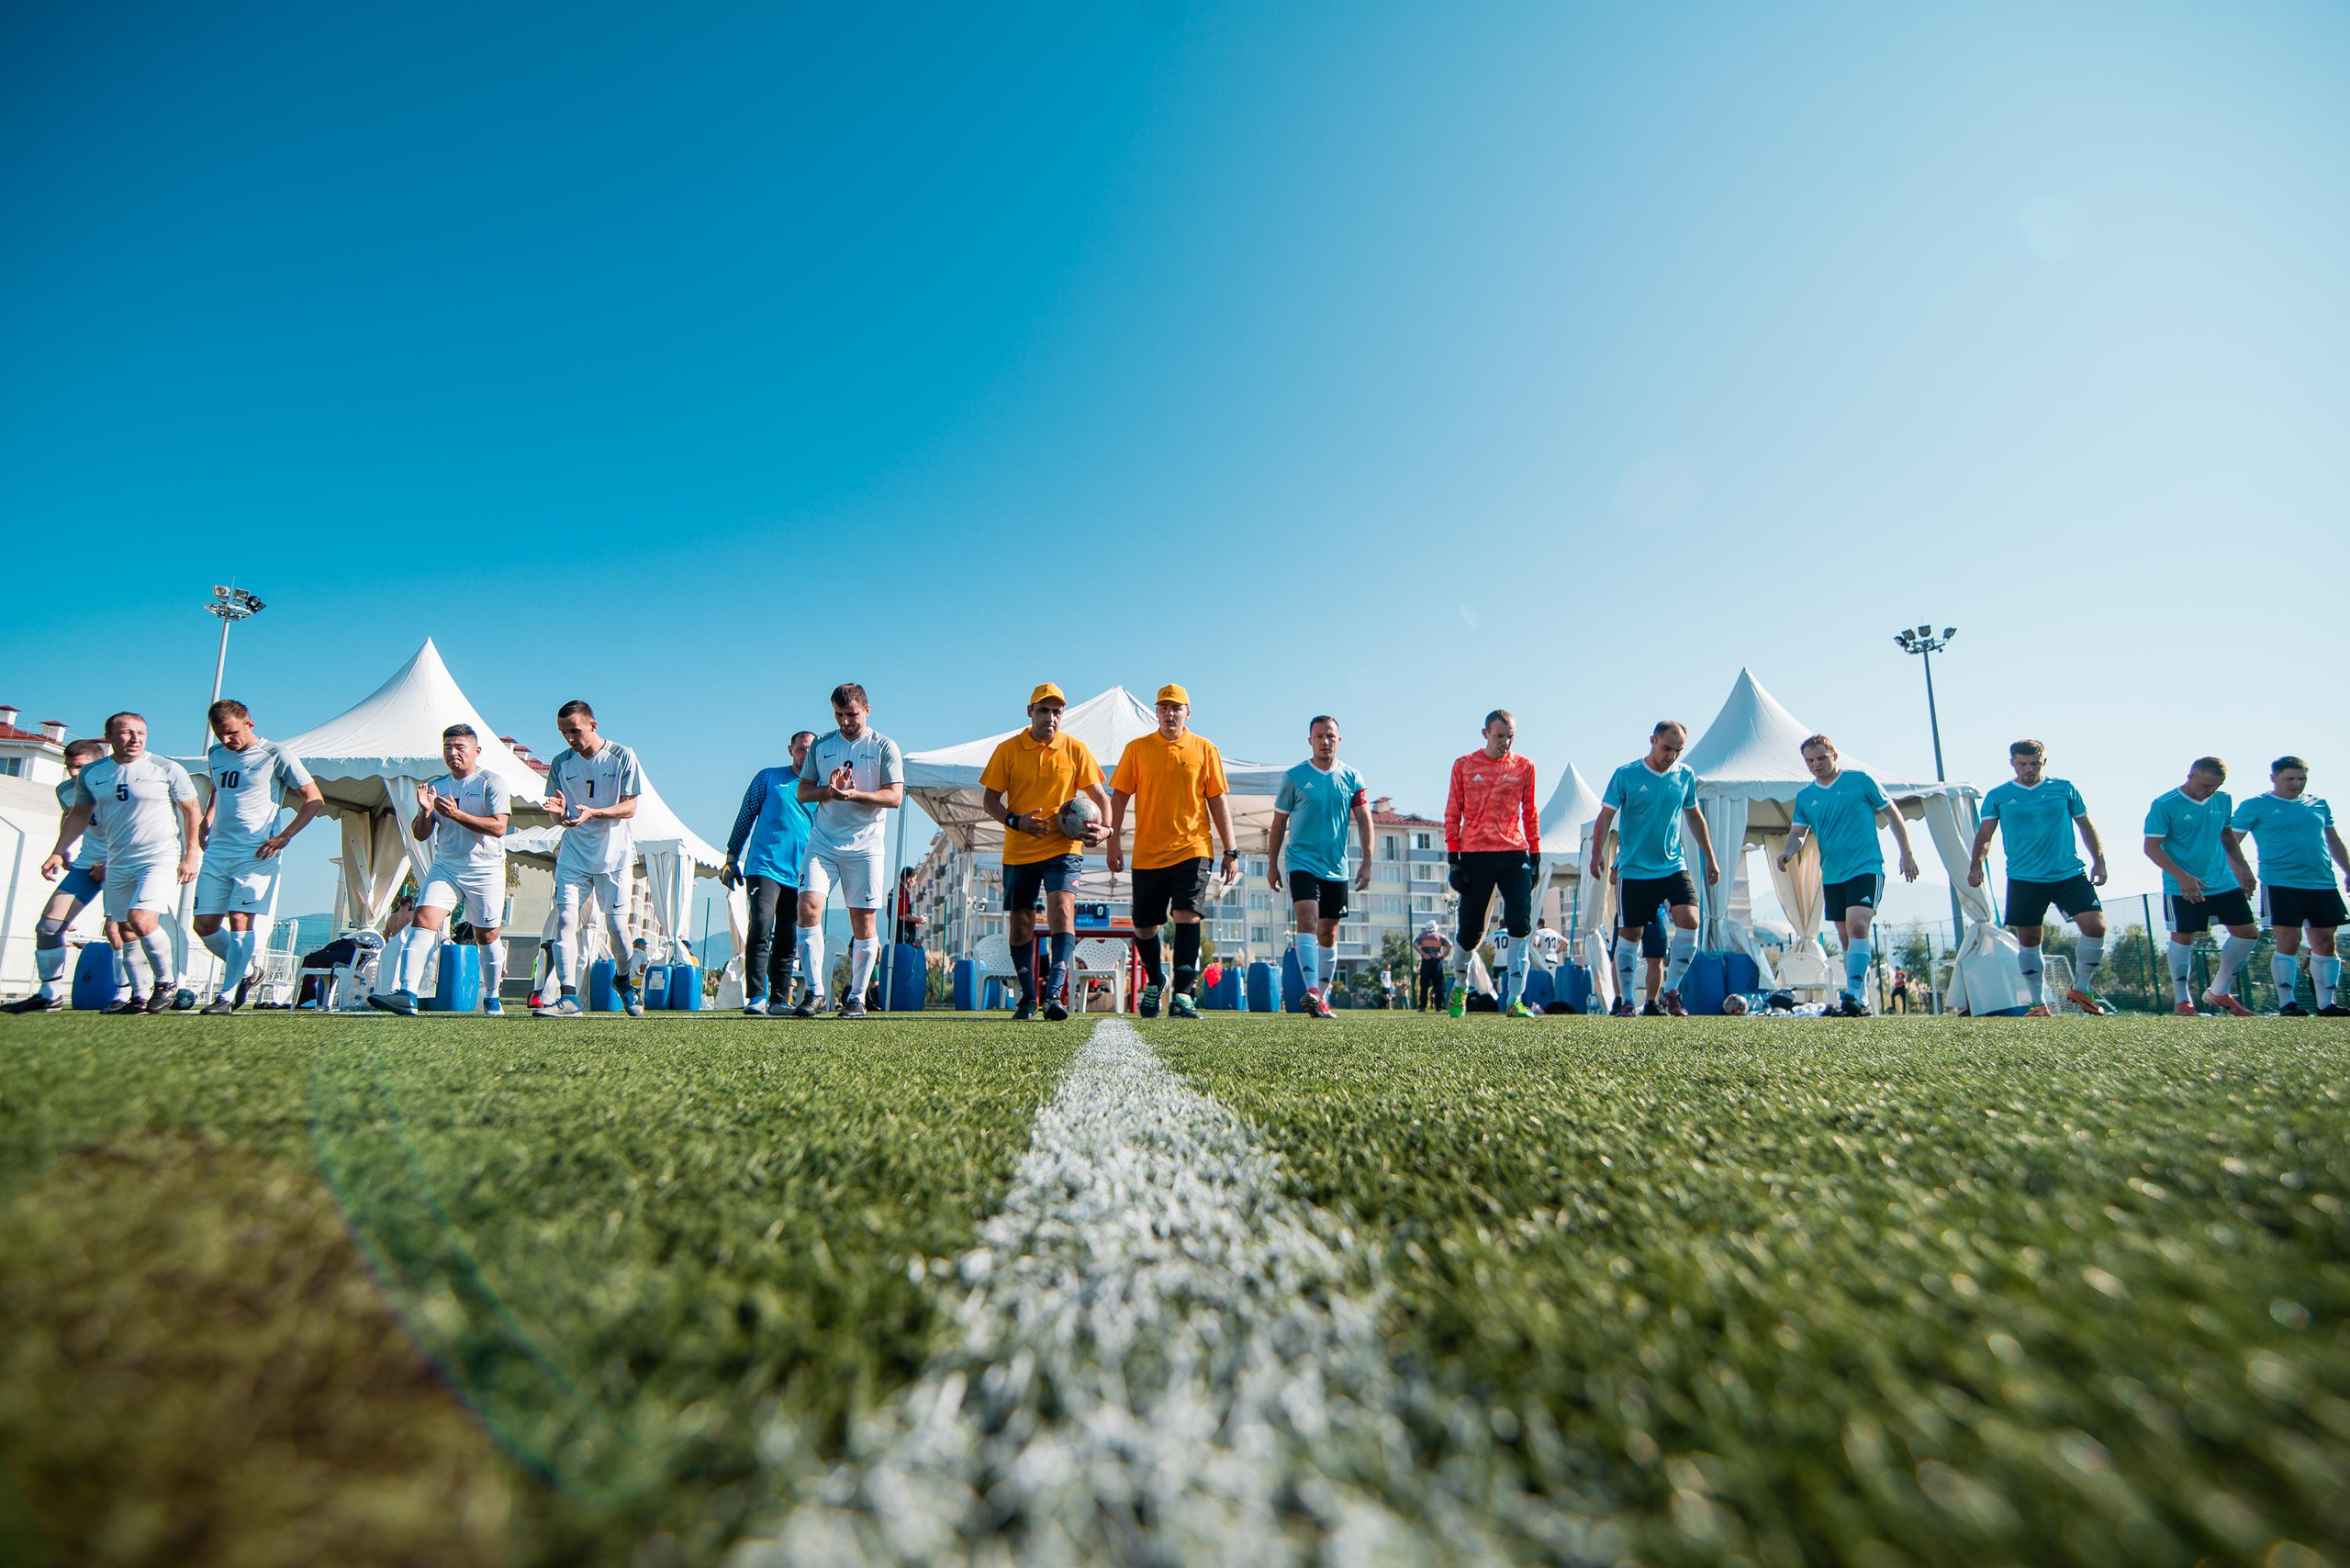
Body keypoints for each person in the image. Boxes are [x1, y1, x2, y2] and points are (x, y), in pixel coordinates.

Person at [44, 712, 199, 1014]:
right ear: (110, 737)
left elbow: (191, 809)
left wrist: (191, 853)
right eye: (127, 733)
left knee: (141, 919)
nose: (135, 739)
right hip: (117, 859)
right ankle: (138, 997)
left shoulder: (166, 768)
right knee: (124, 929)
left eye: (141, 732)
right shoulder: (94, 774)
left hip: (158, 857)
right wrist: (59, 850)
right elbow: (78, 814)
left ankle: (166, 983)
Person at [979, 683, 1112, 1021]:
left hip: (1064, 847)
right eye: (1043, 710)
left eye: (1056, 711)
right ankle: (1027, 998)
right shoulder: (1007, 749)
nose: (1050, 717)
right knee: (1021, 924)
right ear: (1030, 712)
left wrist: (1106, 830)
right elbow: (990, 800)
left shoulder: (1076, 749)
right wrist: (1016, 821)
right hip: (1020, 850)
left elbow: (1102, 798)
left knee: (1062, 911)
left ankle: (1054, 996)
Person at [1106, 684, 1239, 1019]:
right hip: (1148, 852)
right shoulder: (1136, 749)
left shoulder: (1205, 749)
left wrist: (1231, 849)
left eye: (1176, 708)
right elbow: (1119, 797)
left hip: (1193, 849)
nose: (1170, 713)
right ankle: (1155, 981)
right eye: (1164, 707)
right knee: (1145, 927)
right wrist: (1112, 841)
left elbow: (1217, 800)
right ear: (1156, 712)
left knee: (1187, 916)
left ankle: (1182, 994)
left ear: (1187, 713)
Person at [193, 700, 324, 1014]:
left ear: (250, 724)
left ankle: (226, 997)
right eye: (219, 734)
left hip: (256, 852)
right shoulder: (216, 755)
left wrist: (285, 836)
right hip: (218, 851)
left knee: (239, 920)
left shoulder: (276, 755)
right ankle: (249, 972)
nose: (226, 740)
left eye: (231, 732)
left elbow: (314, 798)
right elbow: (217, 790)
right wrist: (206, 820)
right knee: (205, 924)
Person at [372, 723, 510, 1017]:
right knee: (422, 919)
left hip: (486, 869)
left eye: (460, 747)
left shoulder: (491, 782)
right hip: (446, 866)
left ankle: (492, 995)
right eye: (448, 747)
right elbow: (421, 834)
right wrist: (424, 811)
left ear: (476, 751)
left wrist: (456, 814)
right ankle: (407, 993)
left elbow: (499, 827)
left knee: (486, 935)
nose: (453, 752)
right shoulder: (438, 786)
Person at [1776, 734, 1919, 1018]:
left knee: (1857, 926)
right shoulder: (1806, 797)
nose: (1816, 764)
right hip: (1832, 874)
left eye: (1821, 758)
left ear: (1834, 756)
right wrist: (1787, 852)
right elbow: (1798, 833)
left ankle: (1853, 993)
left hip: (1866, 868)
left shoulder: (1860, 781)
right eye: (1810, 761)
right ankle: (1860, 998)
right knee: (1845, 938)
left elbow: (1892, 814)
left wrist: (1907, 852)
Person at [1967, 739, 2113, 1016]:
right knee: (2030, 939)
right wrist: (1976, 866)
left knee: (2096, 927)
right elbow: (1985, 835)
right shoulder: (1999, 795)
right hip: (2024, 878)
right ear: (2012, 763)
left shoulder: (2064, 789)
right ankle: (2038, 1003)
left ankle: (2080, 989)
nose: (2029, 769)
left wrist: (2099, 861)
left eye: (2034, 763)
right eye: (2022, 764)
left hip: (2068, 873)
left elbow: (2085, 825)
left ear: (2044, 762)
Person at [1587, 721, 1719, 1018]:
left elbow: (1695, 817)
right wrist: (1597, 853)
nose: (1671, 755)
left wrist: (1710, 857)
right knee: (1629, 934)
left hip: (1673, 865)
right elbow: (1605, 816)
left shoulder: (1685, 776)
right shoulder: (1626, 775)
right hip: (1634, 870)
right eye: (1666, 748)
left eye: (1678, 750)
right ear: (1652, 741)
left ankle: (1671, 991)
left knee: (1691, 920)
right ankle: (1625, 1002)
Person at [792, 683, 905, 1019]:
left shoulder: (884, 746)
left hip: (866, 846)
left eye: (851, 715)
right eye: (839, 715)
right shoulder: (823, 745)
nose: (845, 722)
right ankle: (814, 993)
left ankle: (857, 998)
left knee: (863, 921)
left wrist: (855, 795)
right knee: (808, 907)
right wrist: (829, 790)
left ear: (867, 710)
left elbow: (895, 797)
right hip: (823, 842)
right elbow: (803, 792)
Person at [537, 700, 645, 1019]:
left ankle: (623, 980)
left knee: (617, 928)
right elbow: (559, 813)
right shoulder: (560, 764)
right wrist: (558, 817)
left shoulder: (623, 756)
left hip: (614, 857)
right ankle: (568, 997)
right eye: (563, 733)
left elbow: (630, 808)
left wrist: (594, 812)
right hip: (573, 856)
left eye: (575, 731)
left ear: (593, 726)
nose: (569, 738)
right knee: (566, 921)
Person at [1269, 715, 1373, 1019]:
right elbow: (1279, 824)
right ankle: (1311, 989)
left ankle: (1321, 998)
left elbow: (1366, 821)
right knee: (1307, 918)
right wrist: (1272, 864)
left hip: (1336, 866)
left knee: (1328, 932)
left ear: (1339, 740)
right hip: (1300, 861)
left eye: (1330, 736)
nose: (1325, 741)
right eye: (1319, 736)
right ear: (1310, 740)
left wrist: (1367, 862)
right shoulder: (1294, 777)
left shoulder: (1353, 777)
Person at [2231, 756, 2349, 1016]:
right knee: (2289, 940)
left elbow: (2334, 841)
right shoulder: (2255, 805)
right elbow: (2229, 842)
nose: (2296, 784)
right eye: (2290, 779)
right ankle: (2287, 1004)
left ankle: (2326, 1005)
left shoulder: (2319, 804)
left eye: (2301, 779)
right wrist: (2241, 871)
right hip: (2279, 882)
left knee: (2326, 943)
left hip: (2322, 882)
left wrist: (2348, 870)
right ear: (2274, 778)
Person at [2143, 756, 2260, 1017]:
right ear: (2191, 775)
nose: (2210, 791)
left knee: (2248, 933)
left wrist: (2243, 867)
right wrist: (2182, 877)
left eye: (2216, 786)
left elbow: (2227, 835)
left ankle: (2219, 991)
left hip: (2223, 881)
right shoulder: (2165, 805)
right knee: (2184, 938)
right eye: (2206, 785)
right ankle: (2183, 1002)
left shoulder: (2223, 800)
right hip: (2181, 885)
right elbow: (2151, 848)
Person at [1442, 710, 1540, 1019]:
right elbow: (1453, 813)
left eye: (1510, 737)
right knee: (1470, 933)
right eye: (1500, 737)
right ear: (1485, 733)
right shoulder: (1464, 765)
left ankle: (1515, 999)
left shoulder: (1524, 767)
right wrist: (1453, 859)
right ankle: (1460, 987)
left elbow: (1530, 811)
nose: (1505, 743)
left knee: (1520, 923)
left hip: (1513, 853)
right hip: (1475, 854)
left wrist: (1535, 853)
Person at [6, 737, 110, 1013]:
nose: (74, 774)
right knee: (48, 928)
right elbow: (70, 816)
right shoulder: (65, 790)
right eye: (70, 767)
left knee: (121, 929)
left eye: (80, 767)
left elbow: (142, 828)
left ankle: (133, 994)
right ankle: (49, 994)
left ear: (98, 764)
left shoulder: (118, 786)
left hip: (127, 863)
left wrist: (112, 862)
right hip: (87, 864)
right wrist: (60, 850)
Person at [723, 730, 815, 1015]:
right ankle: (756, 997)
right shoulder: (768, 778)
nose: (805, 755)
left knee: (789, 937)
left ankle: (779, 1000)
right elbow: (746, 815)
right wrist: (731, 857)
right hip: (763, 866)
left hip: (799, 872)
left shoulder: (821, 788)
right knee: (761, 925)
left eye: (811, 750)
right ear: (791, 750)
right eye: (801, 749)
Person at [1413, 922, 1450, 1011]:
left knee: (1424, 985)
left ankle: (1422, 1006)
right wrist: (1444, 955)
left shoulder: (1421, 936)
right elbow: (1450, 944)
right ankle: (1438, 1006)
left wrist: (1423, 953)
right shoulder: (1439, 936)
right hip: (1436, 962)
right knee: (1438, 986)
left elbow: (1414, 944)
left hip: (1426, 962)